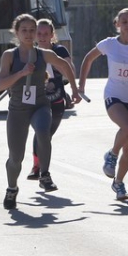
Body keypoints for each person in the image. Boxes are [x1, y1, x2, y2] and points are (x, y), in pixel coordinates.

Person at [0, 14, 80, 209]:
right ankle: (12, 188)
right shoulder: (10, 55)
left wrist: (74, 90)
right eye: (24, 30)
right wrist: (21, 73)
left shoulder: (44, 54)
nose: (28, 34)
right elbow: (0, 85)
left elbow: (65, 65)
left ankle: (45, 174)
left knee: (43, 131)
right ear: (16, 32)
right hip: (18, 109)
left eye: (32, 30)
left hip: (40, 105)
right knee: (16, 157)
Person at [77, 8, 128, 202]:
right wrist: (81, 85)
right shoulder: (109, 44)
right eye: (124, 22)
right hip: (114, 96)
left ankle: (119, 182)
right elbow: (88, 58)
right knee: (126, 127)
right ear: (117, 24)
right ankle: (111, 154)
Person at [26, 18, 73, 180]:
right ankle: (37, 167)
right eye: (39, 33)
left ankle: (41, 167)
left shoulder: (59, 51)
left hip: (57, 100)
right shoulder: (30, 52)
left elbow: (70, 71)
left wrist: (54, 64)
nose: (42, 37)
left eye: (46, 33)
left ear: (52, 34)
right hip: (38, 101)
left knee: (47, 135)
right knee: (41, 132)